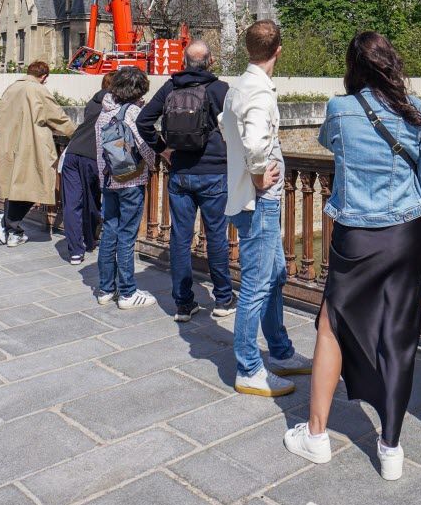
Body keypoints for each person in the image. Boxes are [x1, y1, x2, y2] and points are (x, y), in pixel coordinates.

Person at [284, 32, 421, 482]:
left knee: (332, 325)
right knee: (398, 336)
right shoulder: (415, 111)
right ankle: (390, 447)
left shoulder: (340, 109)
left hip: (356, 233)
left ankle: (317, 436)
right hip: (405, 232)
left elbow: (330, 143)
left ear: (354, 66)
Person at [223, 20, 310, 397]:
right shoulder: (258, 91)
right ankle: (249, 368)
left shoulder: (237, 87)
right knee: (258, 284)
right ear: (279, 50)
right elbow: (256, 141)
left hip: (248, 197)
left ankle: (280, 350)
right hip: (260, 200)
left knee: (274, 275)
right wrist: (259, 174)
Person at [137, 40, 235, 323]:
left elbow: (144, 121)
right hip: (214, 172)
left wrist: (163, 148)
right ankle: (223, 299)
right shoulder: (219, 89)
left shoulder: (171, 87)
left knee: (180, 237)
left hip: (180, 173)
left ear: (183, 62)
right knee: (216, 235)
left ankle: (183, 303)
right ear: (210, 62)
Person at [92, 67, 158, 306]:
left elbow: (100, 152)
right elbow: (144, 145)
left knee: (109, 231)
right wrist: (152, 165)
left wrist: (103, 180)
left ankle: (105, 289)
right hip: (131, 180)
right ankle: (128, 292)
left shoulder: (103, 112)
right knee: (127, 235)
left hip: (110, 180)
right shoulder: (132, 112)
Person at [0, 60, 76, 245]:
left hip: (11, 143)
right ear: (44, 76)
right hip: (32, 143)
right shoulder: (37, 90)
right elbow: (57, 115)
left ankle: (11, 227)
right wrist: (76, 133)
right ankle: (9, 223)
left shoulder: (11, 89)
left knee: (16, 187)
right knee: (37, 185)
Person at [61, 73, 117, 266]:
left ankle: (75, 251)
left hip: (72, 152)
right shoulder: (115, 103)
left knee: (72, 203)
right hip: (92, 156)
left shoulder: (92, 102)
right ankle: (91, 239)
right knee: (93, 201)